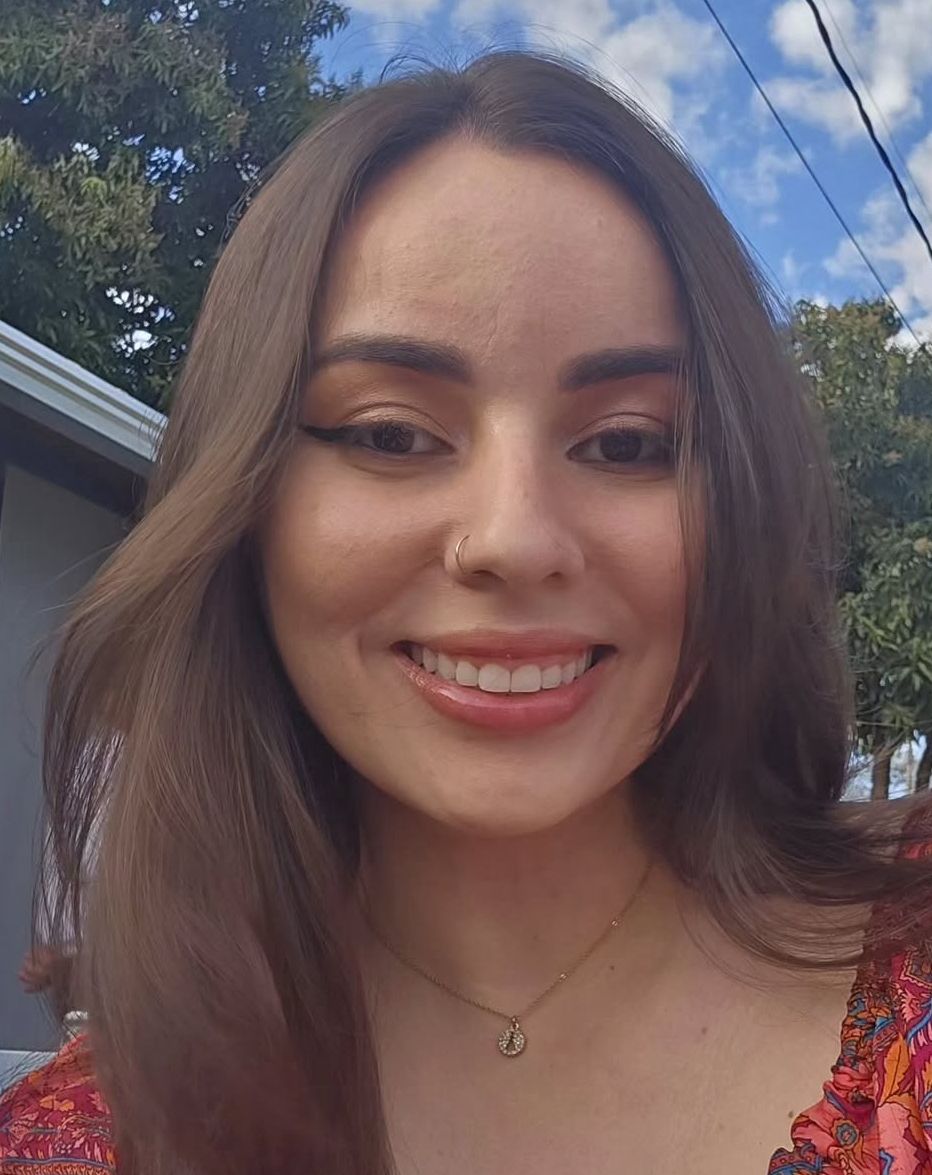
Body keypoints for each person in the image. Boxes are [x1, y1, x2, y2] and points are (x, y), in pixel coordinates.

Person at [1, 50, 930, 1175]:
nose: (513, 538)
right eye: (390, 433)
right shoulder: (73, 1145)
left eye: (626, 443)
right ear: (244, 501)